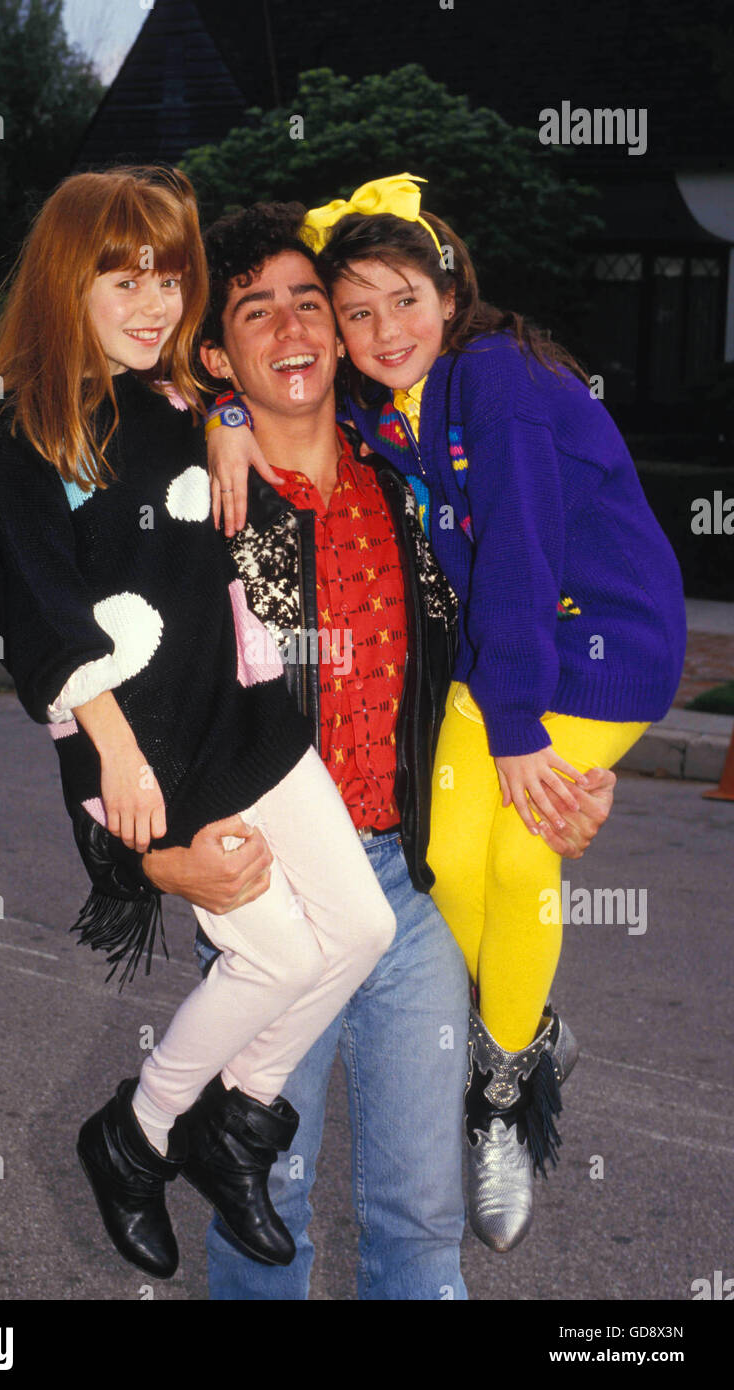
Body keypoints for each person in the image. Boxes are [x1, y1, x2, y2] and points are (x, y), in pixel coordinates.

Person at [144, 200, 619, 1297]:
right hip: (276, 904)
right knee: (262, 1210)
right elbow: (114, 702)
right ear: (217, 352)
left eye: (308, 302)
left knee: (418, 1220)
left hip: (411, 894)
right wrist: (154, 855)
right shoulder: (189, 500)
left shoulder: (410, 477)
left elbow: (512, 625)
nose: (291, 327)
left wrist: (560, 777)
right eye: (251, 312)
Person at [0, 166, 399, 1283]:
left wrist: (231, 423)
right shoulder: (26, 424)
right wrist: (112, 752)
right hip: (144, 742)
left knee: (358, 930)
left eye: (169, 274)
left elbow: (214, 442)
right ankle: (136, 1134)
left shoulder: (170, 405)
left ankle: (222, 1125)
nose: (155, 301)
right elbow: (32, 611)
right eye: (124, 276)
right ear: (70, 279)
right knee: (276, 954)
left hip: (242, 716)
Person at [291, 173, 686, 1251]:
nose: (382, 330)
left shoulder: (495, 378)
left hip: (601, 651)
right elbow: (234, 381)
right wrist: (234, 414)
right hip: (504, 666)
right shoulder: (394, 402)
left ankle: (501, 1091)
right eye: (355, 312)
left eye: (402, 299)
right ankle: (535, 1024)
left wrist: (514, 729)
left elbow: (516, 555)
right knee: (444, 862)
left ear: (449, 286)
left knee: (518, 860)